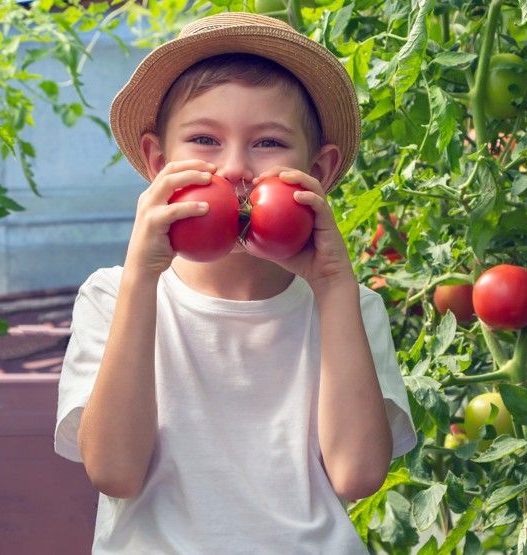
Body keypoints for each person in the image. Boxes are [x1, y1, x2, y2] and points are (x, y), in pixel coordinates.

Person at [54, 12, 416, 553]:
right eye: (204, 139)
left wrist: (336, 287)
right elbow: (114, 471)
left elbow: (357, 475)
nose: (235, 168)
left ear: (318, 169)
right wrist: (141, 277)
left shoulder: (348, 307)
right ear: (158, 161)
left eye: (268, 143)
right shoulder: (115, 296)